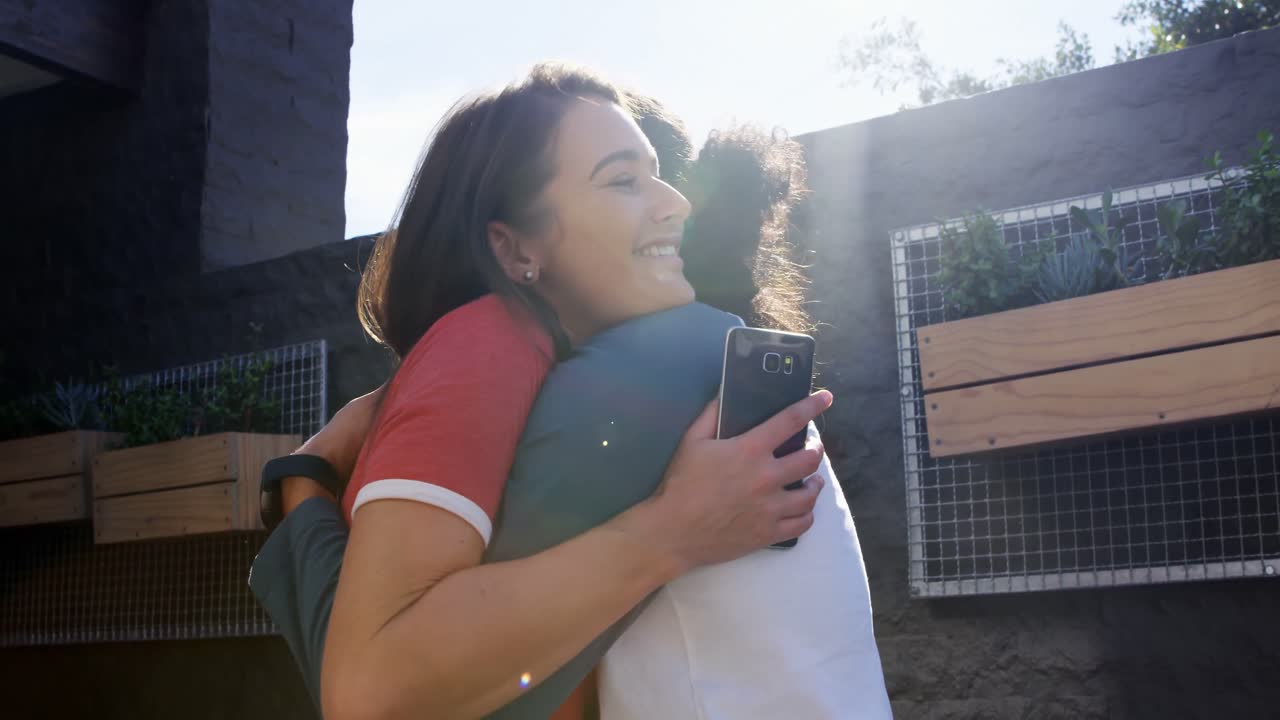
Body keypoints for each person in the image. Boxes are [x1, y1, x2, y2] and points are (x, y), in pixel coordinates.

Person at [250, 67, 890, 719]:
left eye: (657, 172)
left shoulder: (661, 361)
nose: (676, 202)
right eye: (623, 180)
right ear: (514, 245)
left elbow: (377, 692)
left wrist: (305, 481)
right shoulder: (658, 355)